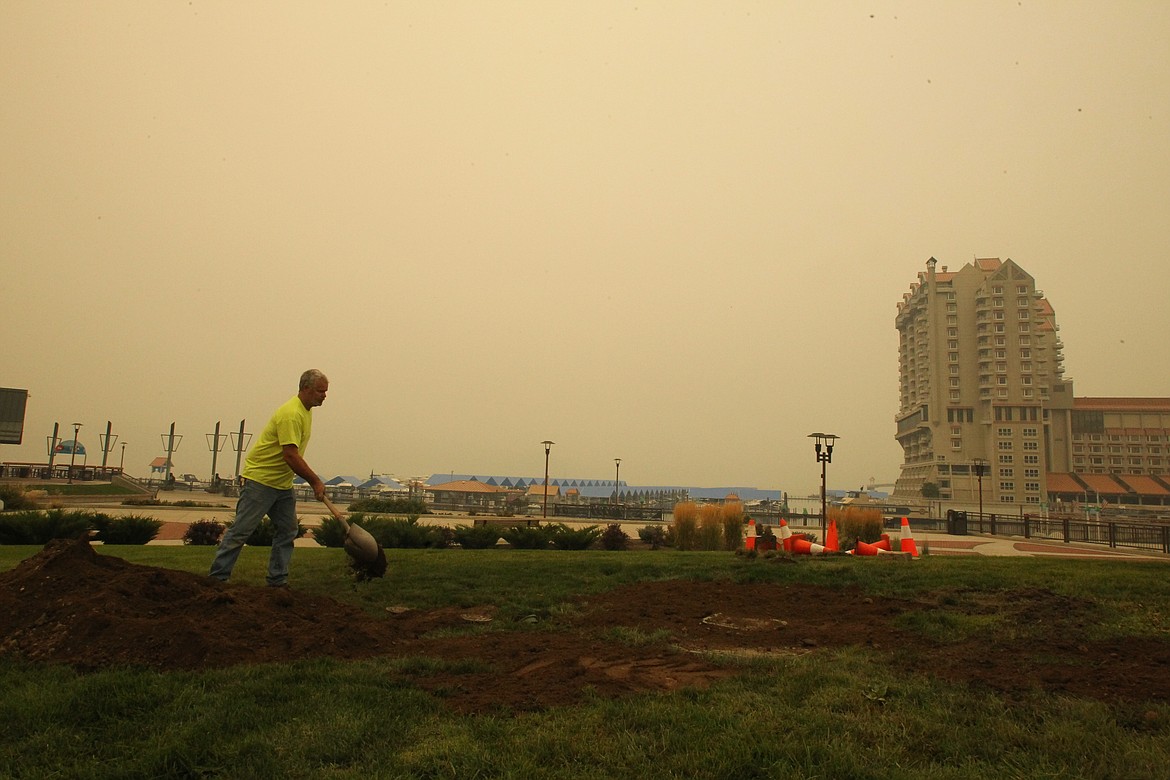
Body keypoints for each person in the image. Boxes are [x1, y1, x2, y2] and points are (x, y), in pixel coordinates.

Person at [209, 369, 329, 587]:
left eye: (325, 391)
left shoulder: (306, 411)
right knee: (241, 531)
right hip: (260, 481)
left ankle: (277, 581)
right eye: (320, 391)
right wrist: (315, 481)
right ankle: (218, 579)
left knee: (288, 530)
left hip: (282, 485)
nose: (324, 395)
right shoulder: (291, 414)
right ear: (305, 388)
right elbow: (290, 455)